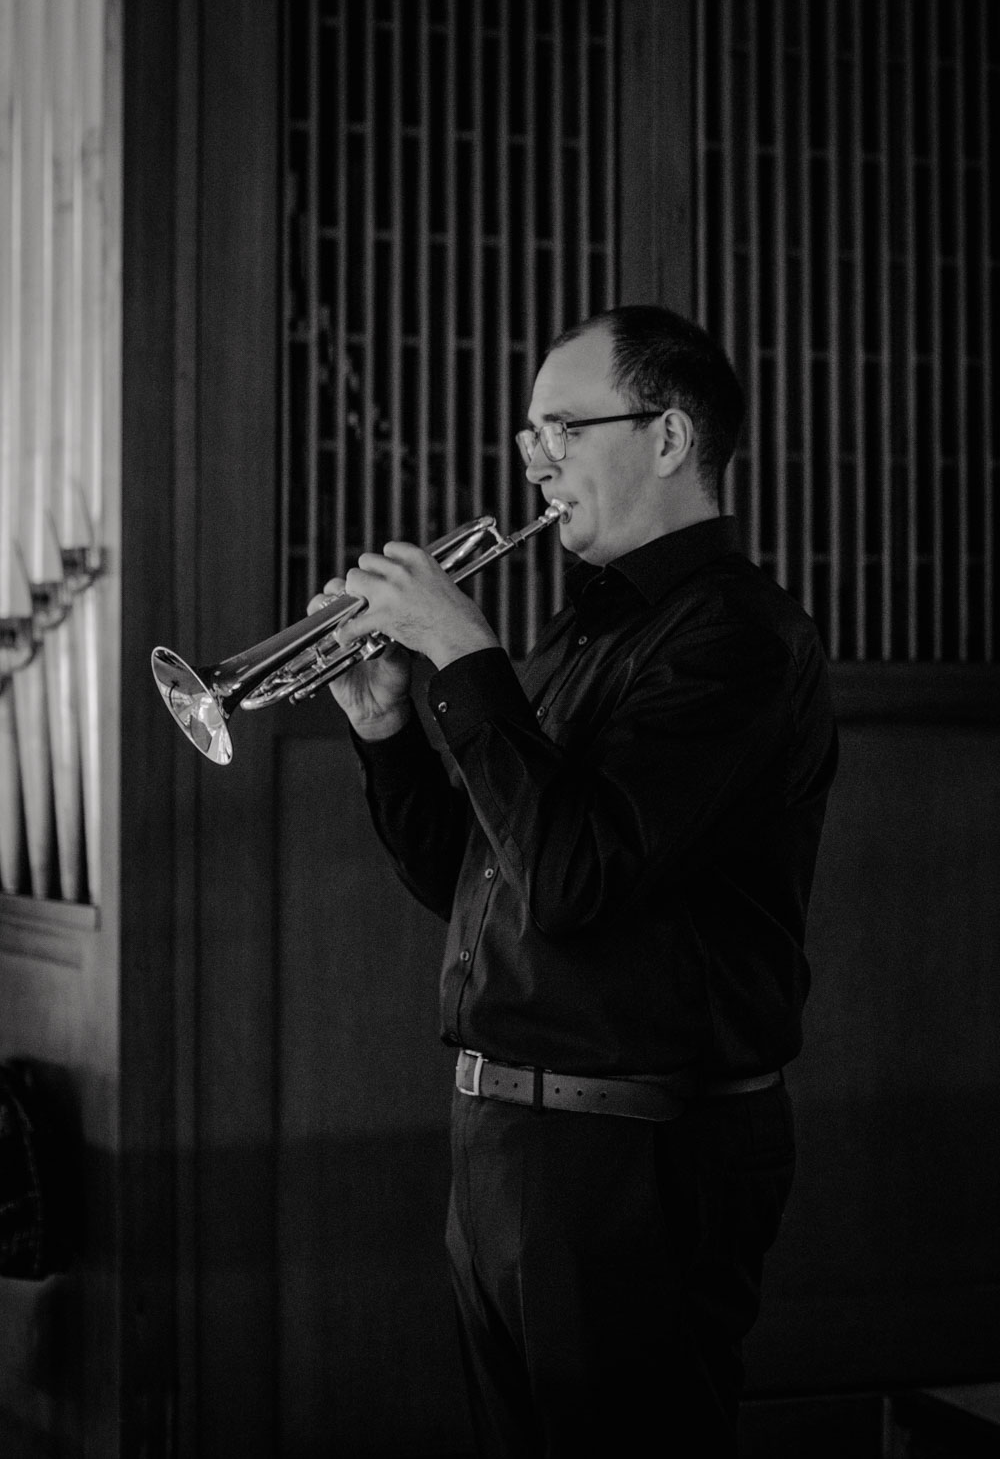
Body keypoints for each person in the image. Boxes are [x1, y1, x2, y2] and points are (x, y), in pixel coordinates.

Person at [311, 305, 838, 1457]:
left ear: (667, 437)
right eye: (527, 434)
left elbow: (575, 875)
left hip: (636, 1159)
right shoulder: (577, 636)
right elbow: (475, 879)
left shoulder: (739, 637)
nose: (533, 458)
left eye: (562, 426)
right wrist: (393, 733)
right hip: (509, 1141)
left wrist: (464, 655)